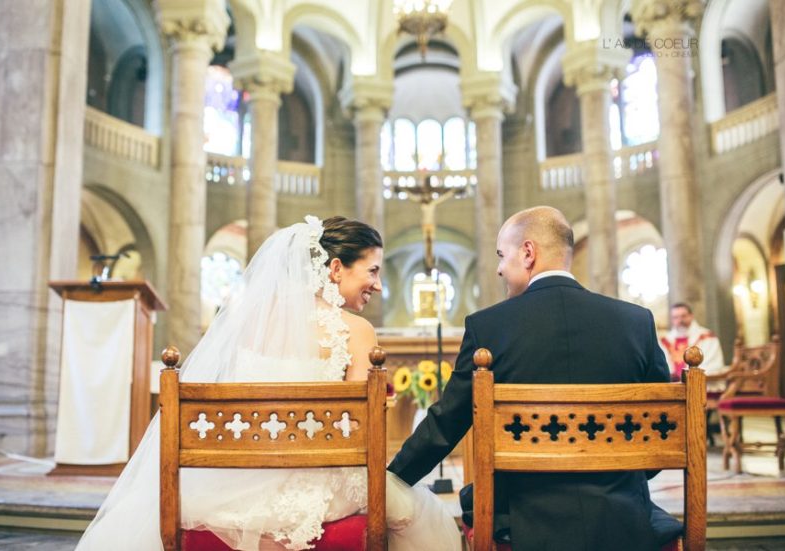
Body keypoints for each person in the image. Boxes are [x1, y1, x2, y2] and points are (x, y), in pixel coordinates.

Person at [76, 215, 460, 551]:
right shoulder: (357, 332)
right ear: (336, 268)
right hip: (318, 488)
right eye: (373, 271)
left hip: (231, 483)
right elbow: (357, 434)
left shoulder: (249, 325)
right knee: (418, 513)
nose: (377, 285)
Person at [388, 206, 679, 551]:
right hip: (623, 514)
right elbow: (666, 428)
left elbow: (447, 422)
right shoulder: (636, 322)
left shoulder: (488, 328)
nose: (498, 268)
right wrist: (620, 476)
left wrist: (391, 479)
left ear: (527, 253)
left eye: (501, 255)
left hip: (522, 518)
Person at [660, 302, 725, 381]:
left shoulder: (707, 337)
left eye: (683, 316)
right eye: (675, 317)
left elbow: (713, 366)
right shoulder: (665, 340)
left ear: (691, 316)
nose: (680, 320)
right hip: (674, 387)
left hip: (704, 387)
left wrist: (688, 377)